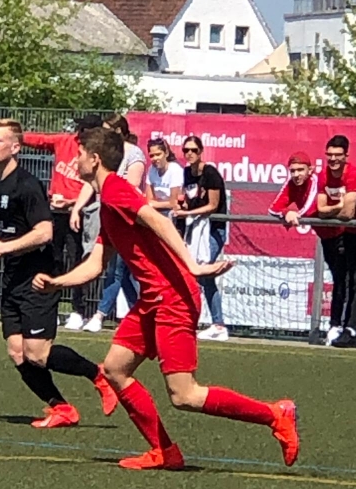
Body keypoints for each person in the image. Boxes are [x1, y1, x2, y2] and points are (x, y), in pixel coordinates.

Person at [33, 127, 299, 471]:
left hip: (173, 297)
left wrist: (192, 265)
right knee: (114, 369)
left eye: (80, 153)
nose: (74, 159)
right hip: (152, 299)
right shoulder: (107, 202)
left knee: (184, 395)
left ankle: (275, 414)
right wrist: (57, 283)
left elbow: (158, 220)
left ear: (94, 159)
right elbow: (96, 264)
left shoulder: (115, 190)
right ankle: (164, 451)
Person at [0, 118, 117, 428]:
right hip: (13, 276)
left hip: (38, 277)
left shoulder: (27, 185)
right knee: (17, 352)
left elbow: (45, 232)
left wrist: (4, 250)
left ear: (15, 148)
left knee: (37, 354)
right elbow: (6, 233)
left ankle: (98, 374)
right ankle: (62, 408)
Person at [23, 115, 102, 330]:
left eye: (84, 129)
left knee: (78, 260)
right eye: (80, 128)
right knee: (52, 259)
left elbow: (93, 187)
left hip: (79, 213)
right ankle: (52, 306)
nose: (79, 132)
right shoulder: (64, 141)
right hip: (55, 212)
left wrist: (72, 203)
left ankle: (79, 310)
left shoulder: (96, 153)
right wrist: (14, 136)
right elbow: (39, 140)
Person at [268, 151, 348, 346]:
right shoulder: (291, 184)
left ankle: (343, 326)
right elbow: (273, 208)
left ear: (310, 170)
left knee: (347, 281)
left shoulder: (315, 181)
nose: (296, 174)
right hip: (327, 237)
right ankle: (338, 326)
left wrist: (292, 213)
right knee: (340, 280)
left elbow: (311, 209)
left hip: (345, 234)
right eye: (292, 170)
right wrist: (287, 212)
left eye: (300, 170)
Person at [79, 114, 144, 334]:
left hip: (123, 217)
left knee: (115, 270)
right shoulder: (103, 158)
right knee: (119, 272)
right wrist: (77, 208)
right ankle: (140, 313)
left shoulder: (133, 154)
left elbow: (131, 189)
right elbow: (91, 182)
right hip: (106, 213)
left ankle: (100, 314)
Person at [317, 135, 356, 349]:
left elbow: (348, 213)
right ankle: (354, 331)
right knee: (347, 280)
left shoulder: (354, 175)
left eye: (337, 155)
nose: (333, 159)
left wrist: (333, 210)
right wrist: (337, 207)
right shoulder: (323, 175)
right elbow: (321, 210)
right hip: (350, 232)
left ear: (346, 156)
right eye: (329, 155)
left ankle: (353, 330)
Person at [175, 135, 229, 342]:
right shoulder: (187, 173)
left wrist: (188, 213)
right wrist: (182, 207)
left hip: (213, 230)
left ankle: (218, 324)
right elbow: (190, 200)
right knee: (193, 273)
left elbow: (212, 206)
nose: (189, 154)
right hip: (195, 229)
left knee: (204, 273)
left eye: (193, 150)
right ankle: (196, 320)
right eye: (186, 150)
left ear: (201, 151)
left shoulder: (210, 173)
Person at [145, 137, 182, 217]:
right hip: (157, 212)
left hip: (173, 214)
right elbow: (149, 200)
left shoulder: (175, 169)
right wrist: (155, 204)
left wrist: (153, 204)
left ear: (166, 153)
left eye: (158, 154)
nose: (155, 158)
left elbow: (174, 202)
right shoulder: (151, 169)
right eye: (152, 156)